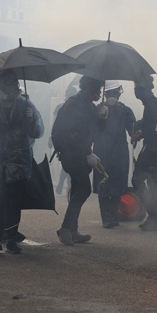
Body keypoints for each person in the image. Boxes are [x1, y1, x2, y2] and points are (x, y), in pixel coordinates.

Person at [0, 71, 44, 255]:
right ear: (0, 88)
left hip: (20, 160)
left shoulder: (27, 107)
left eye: (14, 84)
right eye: (8, 85)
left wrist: (31, 120)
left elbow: (37, 132)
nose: (12, 88)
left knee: (15, 200)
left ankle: (12, 239)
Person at [51, 75, 107, 245]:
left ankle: (73, 230)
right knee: (84, 189)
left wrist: (102, 118)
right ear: (87, 88)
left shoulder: (88, 105)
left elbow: (95, 131)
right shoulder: (74, 104)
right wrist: (86, 153)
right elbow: (73, 134)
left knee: (77, 189)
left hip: (81, 154)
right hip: (71, 153)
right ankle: (66, 228)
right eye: (96, 88)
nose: (98, 92)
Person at [91, 80, 135, 228]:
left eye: (115, 93)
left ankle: (113, 215)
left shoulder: (125, 110)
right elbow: (91, 130)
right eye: (111, 93)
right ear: (106, 94)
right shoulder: (97, 109)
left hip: (119, 152)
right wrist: (99, 117)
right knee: (104, 183)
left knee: (118, 184)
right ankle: (106, 217)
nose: (113, 96)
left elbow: (132, 130)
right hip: (102, 152)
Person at [131, 75, 157, 232]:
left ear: (147, 88)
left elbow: (155, 128)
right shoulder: (150, 104)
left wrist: (141, 134)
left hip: (154, 149)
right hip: (152, 148)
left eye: (139, 87)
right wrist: (137, 125)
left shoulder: (153, 104)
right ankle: (156, 218)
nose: (136, 90)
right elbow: (147, 123)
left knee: (140, 180)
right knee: (152, 183)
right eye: (135, 87)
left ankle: (155, 217)